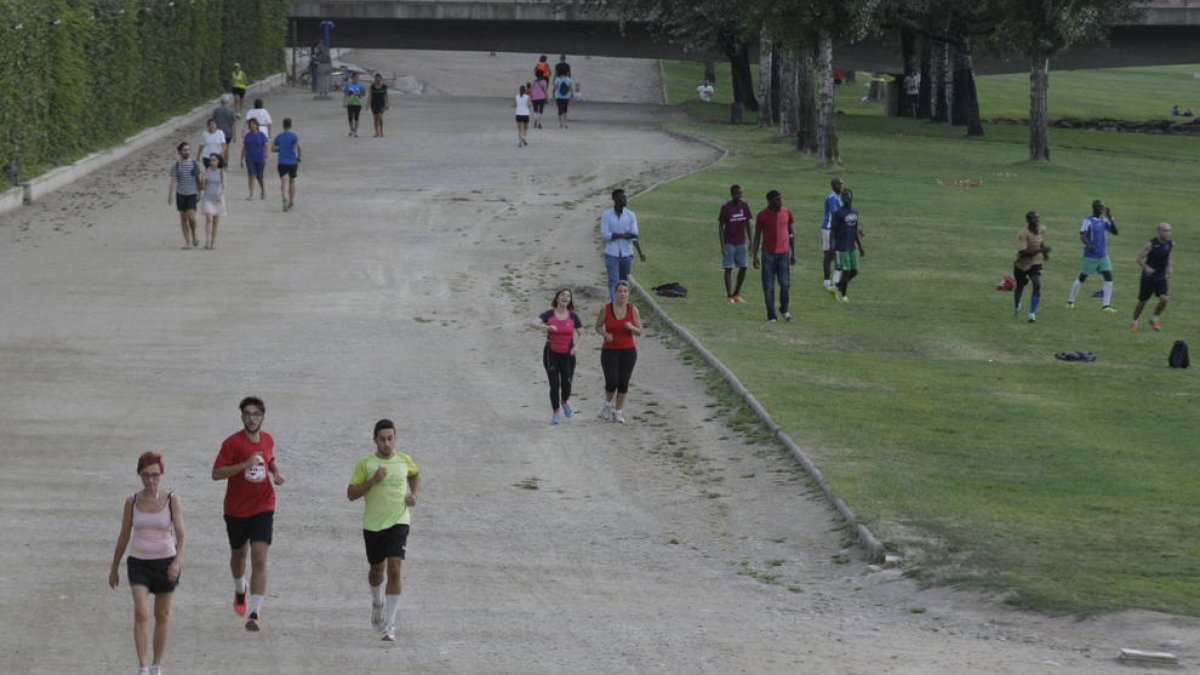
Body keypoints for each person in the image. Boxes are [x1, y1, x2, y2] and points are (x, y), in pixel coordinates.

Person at [212, 396, 285, 632]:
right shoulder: (232, 443)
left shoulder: (268, 439)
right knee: (238, 558)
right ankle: (239, 588)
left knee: (260, 558)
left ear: (263, 416)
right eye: (247, 414)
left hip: (263, 505)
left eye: (256, 414)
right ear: (241, 416)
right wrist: (244, 464)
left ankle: (254, 613)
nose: (251, 418)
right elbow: (216, 473)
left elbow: (268, 458)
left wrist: (276, 472)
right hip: (236, 509)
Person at [109, 452, 185, 675]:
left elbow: (181, 535)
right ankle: (142, 667)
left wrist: (178, 562)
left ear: (161, 474)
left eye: (154, 475)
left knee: (162, 614)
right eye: (145, 475)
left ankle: (156, 665)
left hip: (166, 561)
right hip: (139, 562)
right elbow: (123, 535)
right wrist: (114, 567)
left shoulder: (172, 500)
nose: (150, 480)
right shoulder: (131, 502)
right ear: (139, 476)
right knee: (141, 613)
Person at [347, 419, 420, 642]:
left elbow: (414, 474)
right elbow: (351, 494)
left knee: (395, 569)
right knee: (377, 571)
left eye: (390, 438)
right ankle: (377, 602)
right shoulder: (365, 463)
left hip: (399, 520)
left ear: (395, 438)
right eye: (382, 439)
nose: (387, 443)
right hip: (373, 524)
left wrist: (413, 494)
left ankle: (390, 625)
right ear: (375, 440)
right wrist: (373, 481)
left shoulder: (404, 459)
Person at [595, 280, 642, 424]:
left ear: (628, 294)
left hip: (628, 351)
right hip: (610, 350)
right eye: (620, 291)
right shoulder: (607, 309)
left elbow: (639, 331)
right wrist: (605, 335)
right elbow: (597, 326)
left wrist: (631, 328)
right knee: (611, 381)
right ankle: (608, 405)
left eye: (625, 291)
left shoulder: (633, 310)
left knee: (623, 382)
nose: (622, 294)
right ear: (615, 293)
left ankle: (619, 412)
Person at [537, 288, 584, 424]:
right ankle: (556, 412)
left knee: (567, 383)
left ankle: (564, 401)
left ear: (570, 300)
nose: (565, 297)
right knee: (554, 384)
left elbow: (582, 332)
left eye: (568, 296)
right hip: (551, 353)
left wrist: (577, 346)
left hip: (568, 354)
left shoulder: (573, 316)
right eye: (562, 295)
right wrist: (547, 328)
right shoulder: (549, 314)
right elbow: (533, 322)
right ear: (557, 298)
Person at [751, 189, 795, 322]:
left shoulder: (786, 212)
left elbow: (791, 233)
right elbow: (758, 234)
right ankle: (771, 315)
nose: (780, 202)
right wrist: (755, 255)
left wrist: (793, 253)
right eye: (777, 200)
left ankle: (784, 309)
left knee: (785, 284)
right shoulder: (762, 215)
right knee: (769, 286)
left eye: (780, 199)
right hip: (768, 255)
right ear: (769, 201)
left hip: (783, 254)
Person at [1067, 199, 1119, 311]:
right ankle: (1070, 301)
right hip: (1090, 256)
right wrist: (1088, 244)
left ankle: (1106, 305)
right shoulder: (1088, 221)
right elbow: (1082, 235)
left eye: (1103, 207)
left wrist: (1111, 217)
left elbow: (1115, 232)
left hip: (1103, 255)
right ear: (1094, 208)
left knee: (1109, 277)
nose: (1102, 209)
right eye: (1100, 207)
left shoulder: (1104, 221)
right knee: (1082, 277)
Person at [600, 188, 646, 300]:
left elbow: (634, 235)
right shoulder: (607, 215)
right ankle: (614, 304)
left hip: (627, 254)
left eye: (625, 198)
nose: (625, 200)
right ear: (614, 199)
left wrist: (640, 253)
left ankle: (623, 303)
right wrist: (623, 235)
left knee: (624, 281)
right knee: (613, 280)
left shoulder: (631, 215)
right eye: (622, 198)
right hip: (611, 253)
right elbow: (604, 235)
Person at [1130, 222, 1174, 331]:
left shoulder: (1170, 243)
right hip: (1148, 278)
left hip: (1161, 278)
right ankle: (1134, 321)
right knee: (1143, 301)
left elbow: (1167, 256)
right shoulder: (1151, 244)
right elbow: (1139, 259)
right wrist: (1146, 268)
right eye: (1165, 231)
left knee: (1165, 300)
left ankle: (1154, 318)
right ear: (1159, 231)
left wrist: (1169, 267)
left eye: (1169, 231)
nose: (1168, 233)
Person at [718, 184, 753, 303]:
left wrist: (751, 241)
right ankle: (729, 296)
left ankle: (737, 293)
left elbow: (748, 224)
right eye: (738, 193)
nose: (740, 196)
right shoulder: (725, 207)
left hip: (741, 242)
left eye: (741, 193)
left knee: (743, 267)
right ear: (732, 194)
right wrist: (722, 245)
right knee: (728, 268)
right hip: (729, 242)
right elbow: (721, 226)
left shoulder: (744, 205)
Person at [1013, 211, 1049, 323]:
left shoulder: (1041, 229)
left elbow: (1041, 242)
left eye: (1038, 218)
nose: (1037, 221)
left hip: (1035, 263)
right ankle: (1017, 305)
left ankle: (1032, 313)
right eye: (1034, 219)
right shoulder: (1023, 234)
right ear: (1028, 221)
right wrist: (1040, 250)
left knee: (1037, 285)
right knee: (1020, 286)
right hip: (1022, 264)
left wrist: (1045, 255)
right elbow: (1023, 253)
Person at [830, 188, 865, 302]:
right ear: (841, 198)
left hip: (852, 246)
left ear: (852, 197)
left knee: (854, 271)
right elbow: (833, 232)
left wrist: (860, 246)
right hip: (842, 247)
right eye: (844, 196)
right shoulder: (838, 213)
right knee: (846, 271)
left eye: (848, 195)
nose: (846, 197)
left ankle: (837, 286)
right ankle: (844, 295)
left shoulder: (855, 212)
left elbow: (855, 230)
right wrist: (832, 247)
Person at [167, 142, 202, 249]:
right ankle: (188, 242)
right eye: (184, 150)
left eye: (188, 150)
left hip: (192, 193)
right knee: (183, 219)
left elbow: (198, 180)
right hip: (180, 194)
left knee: (191, 218)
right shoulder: (176, 165)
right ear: (180, 152)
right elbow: (173, 181)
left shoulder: (195, 164)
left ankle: (194, 233)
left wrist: (199, 193)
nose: (187, 152)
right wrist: (170, 195)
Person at [821, 177, 845, 295]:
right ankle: (831, 282)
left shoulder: (837, 198)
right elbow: (836, 214)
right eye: (840, 185)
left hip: (831, 228)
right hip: (829, 229)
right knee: (831, 254)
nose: (842, 187)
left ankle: (830, 282)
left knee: (831, 254)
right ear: (835, 186)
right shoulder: (832, 198)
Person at [273, 118, 301, 212]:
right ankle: (291, 201)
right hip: (292, 161)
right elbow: (299, 146)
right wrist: (299, 157)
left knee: (283, 181)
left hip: (282, 162)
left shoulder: (279, 136)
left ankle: (284, 198)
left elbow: (273, 149)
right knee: (292, 181)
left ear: (283, 125)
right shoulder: (294, 135)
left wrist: (279, 150)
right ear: (291, 125)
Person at [200, 153, 226, 250]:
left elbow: (224, 185)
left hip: (218, 198)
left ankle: (212, 242)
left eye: (214, 160)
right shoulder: (207, 171)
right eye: (210, 160)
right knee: (209, 218)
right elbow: (202, 187)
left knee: (215, 222)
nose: (212, 162)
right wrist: (203, 179)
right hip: (208, 197)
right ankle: (207, 241)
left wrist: (221, 195)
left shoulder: (221, 172)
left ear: (218, 161)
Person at [240, 117, 268, 200]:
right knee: (251, 176)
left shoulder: (261, 135)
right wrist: (241, 159)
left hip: (260, 158)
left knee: (260, 177)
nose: (253, 126)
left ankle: (263, 191)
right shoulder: (247, 136)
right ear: (249, 126)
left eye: (254, 124)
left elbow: (265, 146)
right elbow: (244, 148)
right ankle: (251, 194)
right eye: (251, 124)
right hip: (250, 159)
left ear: (257, 125)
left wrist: (266, 155)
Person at [344, 72, 365, 137]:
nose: (356, 78)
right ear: (352, 78)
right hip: (350, 103)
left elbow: (363, 94)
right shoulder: (348, 85)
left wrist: (359, 94)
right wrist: (344, 102)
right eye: (355, 77)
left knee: (356, 117)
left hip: (358, 103)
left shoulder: (360, 86)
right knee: (350, 117)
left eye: (357, 77)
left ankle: (355, 130)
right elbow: (346, 94)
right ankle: (351, 129)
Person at [369, 73, 389, 137]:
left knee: (380, 117)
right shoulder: (372, 86)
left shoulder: (384, 86)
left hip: (381, 104)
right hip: (374, 104)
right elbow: (370, 95)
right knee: (375, 118)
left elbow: (386, 96)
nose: (377, 80)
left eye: (378, 79)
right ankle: (376, 131)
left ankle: (381, 130)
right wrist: (368, 104)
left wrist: (387, 104)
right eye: (376, 79)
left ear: (381, 79)